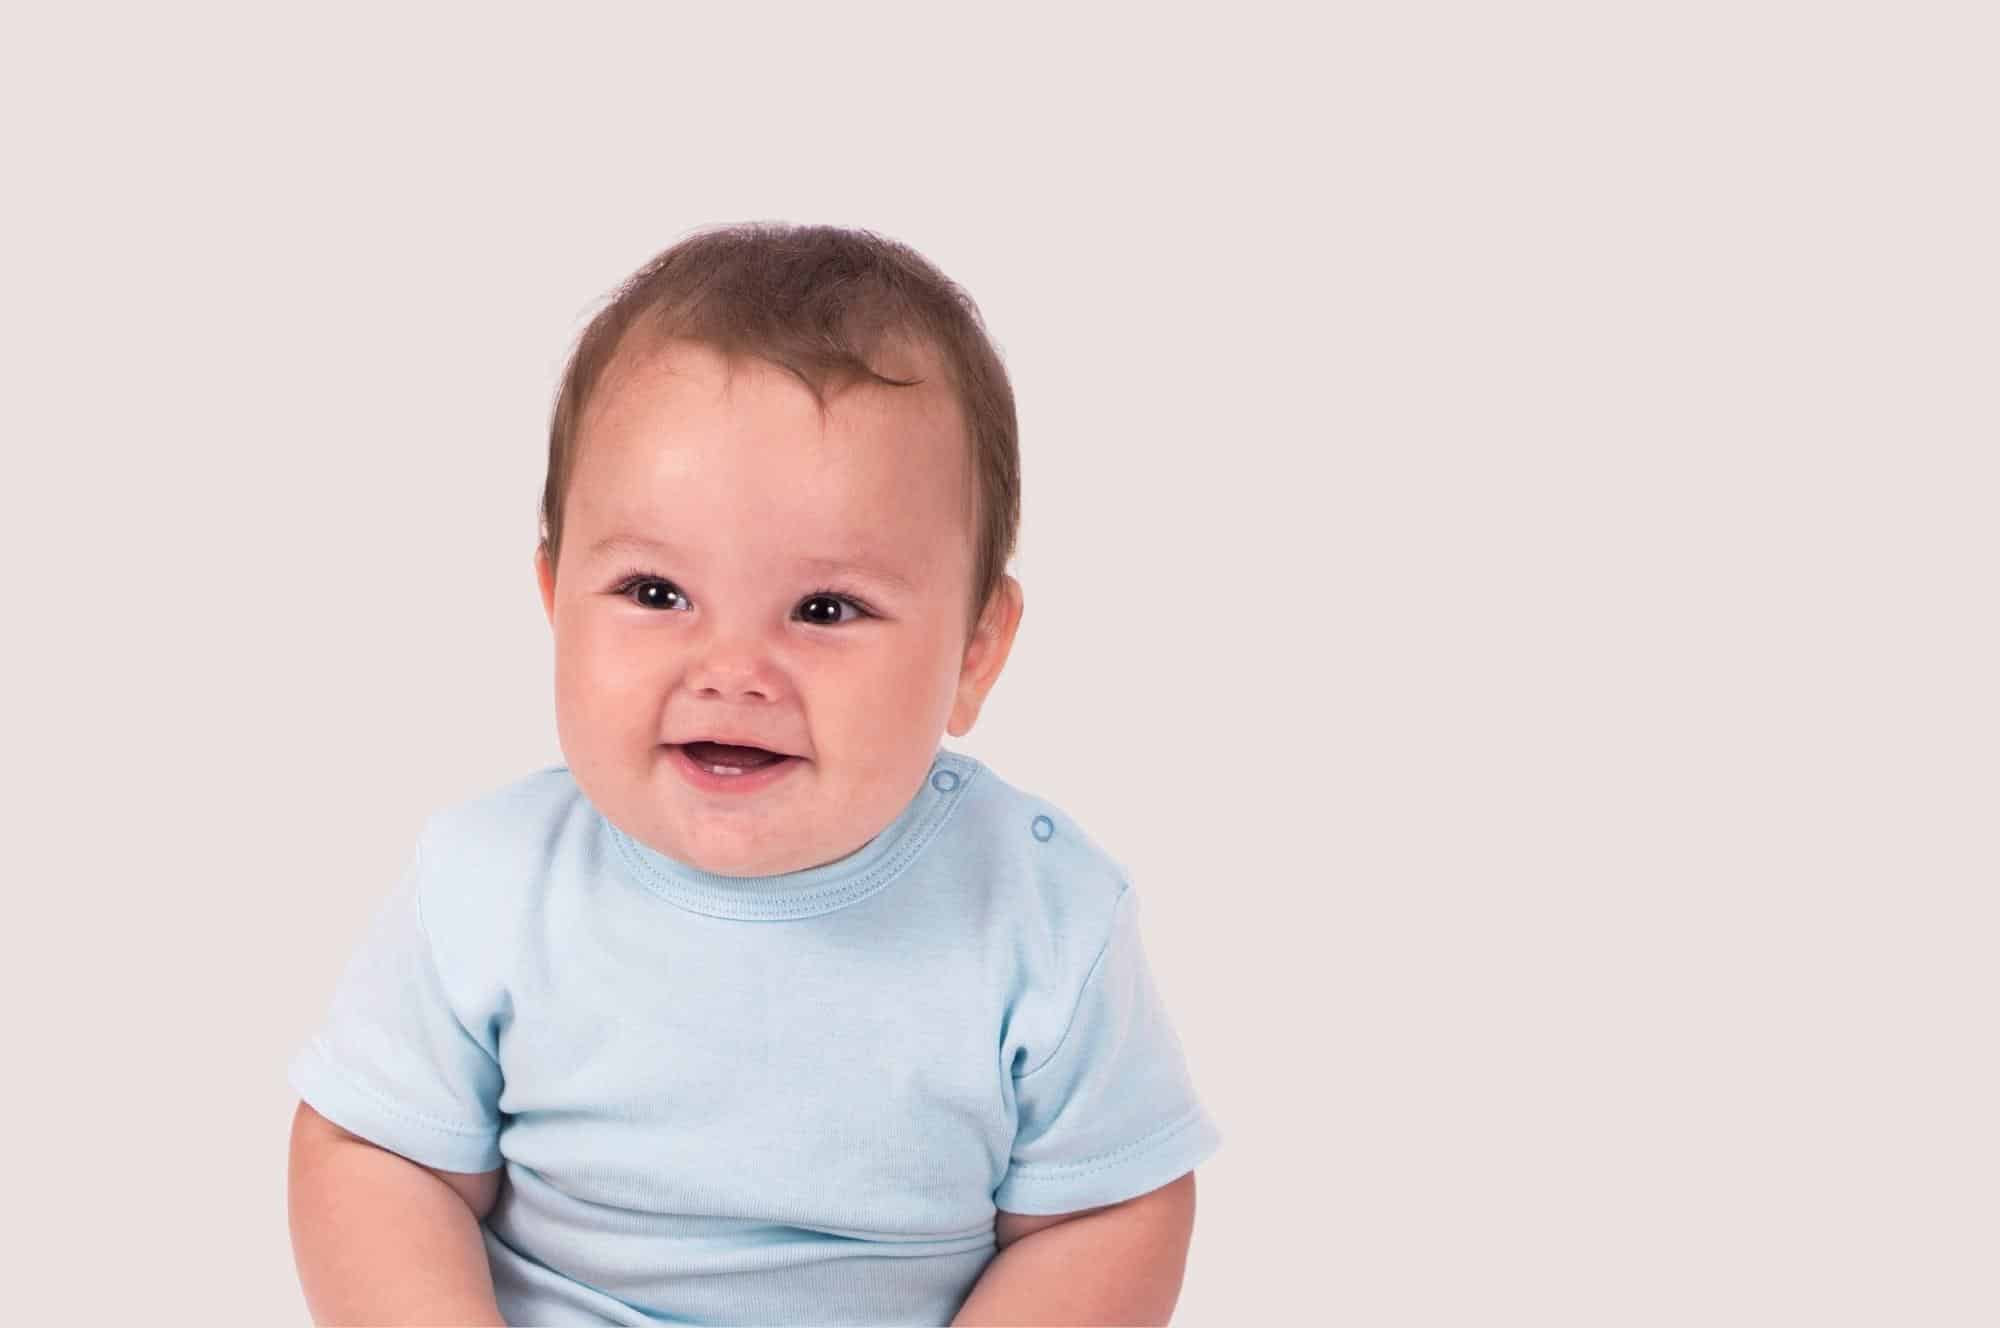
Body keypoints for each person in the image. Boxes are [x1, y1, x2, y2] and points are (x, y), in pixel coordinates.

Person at [285, 221, 1222, 1326]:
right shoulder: (485, 884)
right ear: (552, 598)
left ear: (974, 649)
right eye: (653, 591)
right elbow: (372, 1156)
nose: (731, 670)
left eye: (825, 610)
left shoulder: (1042, 917)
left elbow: (1105, 1210)